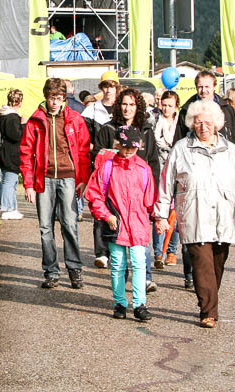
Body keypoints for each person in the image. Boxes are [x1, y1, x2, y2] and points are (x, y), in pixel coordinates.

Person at [156, 99, 235, 328]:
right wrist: (161, 215)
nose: (203, 127)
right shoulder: (181, 148)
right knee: (201, 263)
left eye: (208, 122)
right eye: (198, 122)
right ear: (191, 123)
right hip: (194, 215)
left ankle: (209, 302)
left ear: (217, 124)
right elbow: (166, 183)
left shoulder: (231, 150)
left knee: (217, 263)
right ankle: (208, 311)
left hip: (224, 217)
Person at [21, 78, 92, 290]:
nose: (55, 103)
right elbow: (26, 153)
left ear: (64, 99)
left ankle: (74, 269)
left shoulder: (75, 119)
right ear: (46, 97)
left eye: (59, 99)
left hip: (69, 177)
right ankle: (51, 271)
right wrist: (28, 184)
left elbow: (83, 151)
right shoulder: (36, 120)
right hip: (44, 179)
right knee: (45, 227)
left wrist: (83, 180)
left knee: (70, 224)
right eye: (52, 98)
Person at [85, 126, 156, 322]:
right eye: (124, 147)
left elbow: (150, 199)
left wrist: (159, 218)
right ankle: (119, 302)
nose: (128, 152)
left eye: (132, 148)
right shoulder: (107, 167)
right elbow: (95, 195)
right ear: (117, 145)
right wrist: (106, 215)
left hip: (138, 223)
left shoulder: (143, 168)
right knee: (117, 264)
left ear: (138, 147)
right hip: (116, 222)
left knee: (139, 262)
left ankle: (140, 304)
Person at [92, 88, 160, 291]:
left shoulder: (146, 130)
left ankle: (145, 277)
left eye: (132, 104)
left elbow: (154, 162)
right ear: (118, 106)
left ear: (137, 106)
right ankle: (120, 284)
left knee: (140, 237)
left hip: (140, 191)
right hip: (115, 191)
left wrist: (154, 192)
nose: (128, 108)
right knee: (119, 241)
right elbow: (97, 156)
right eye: (124, 104)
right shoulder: (107, 129)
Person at [152, 90, 182, 273]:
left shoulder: (180, 121)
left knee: (175, 211)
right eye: (164, 105)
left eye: (170, 105)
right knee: (159, 211)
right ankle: (157, 252)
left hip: (177, 168)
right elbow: (156, 140)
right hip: (161, 167)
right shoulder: (156, 120)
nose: (166, 109)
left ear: (176, 106)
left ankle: (171, 250)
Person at [0, 89, 25, 220]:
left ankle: (12, 207)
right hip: (11, 152)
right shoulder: (13, 117)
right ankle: (6, 208)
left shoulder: (3, 114)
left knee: (10, 181)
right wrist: (23, 125)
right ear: (19, 102)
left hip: (4, 151)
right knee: (9, 181)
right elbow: (15, 135)